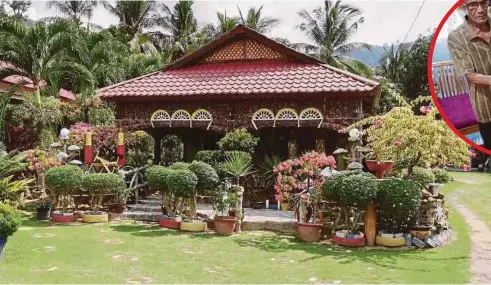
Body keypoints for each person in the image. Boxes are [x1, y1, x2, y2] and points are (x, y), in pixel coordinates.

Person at [448, 0, 491, 150]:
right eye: (473, 4)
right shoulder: (457, 38)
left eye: (483, 2)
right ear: (464, 7)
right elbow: (470, 75)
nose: (480, 9)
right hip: (486, 104)